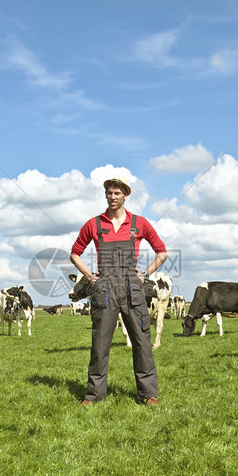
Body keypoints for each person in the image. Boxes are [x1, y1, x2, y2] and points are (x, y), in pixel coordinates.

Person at [70, 174, 168, 406]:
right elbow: (75, 252)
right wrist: (88, 275)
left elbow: (162, 252)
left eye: (117, 193)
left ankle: (148, 394)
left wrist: (146, 274)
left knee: (142, 342)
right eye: (109, 193)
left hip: (132, 288)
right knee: (100, 344)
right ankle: (93, 396)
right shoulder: (94, 224)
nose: (112, 197)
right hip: (104, 288)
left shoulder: (139, 223)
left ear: (125, 195)